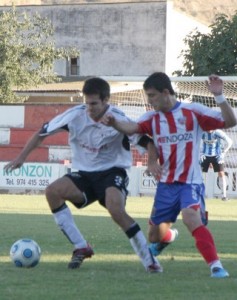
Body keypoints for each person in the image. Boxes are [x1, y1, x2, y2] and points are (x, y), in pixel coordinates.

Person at [4, 77, 162, 273]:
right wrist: (21, 158)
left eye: (94, 103)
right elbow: (41, 133)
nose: (89, 108)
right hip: (84, 176)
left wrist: (153, 162)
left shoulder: (119, 118)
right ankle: (81, 246)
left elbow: (148, 142)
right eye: (86, 103)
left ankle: (149, 261)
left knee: (116, 209)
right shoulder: (74, 116)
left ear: (106, 101)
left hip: (112, 172)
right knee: (52, 192)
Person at [101, 72, 237, 278]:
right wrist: (115, 124)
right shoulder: (152, 118)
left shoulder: (193, 111)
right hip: (165, 185)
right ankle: (167, 238)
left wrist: (219, 96)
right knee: (154, 236)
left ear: (166, 93)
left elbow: (230, 121)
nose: (150, 100)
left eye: (152, 95)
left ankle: (215, 266)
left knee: (191, 218)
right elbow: (133, 128)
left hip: (190, 182)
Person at [200, 129, 233, 201]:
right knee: (199, 174)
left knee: (221, 173)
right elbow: (196, 142)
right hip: (205, 155)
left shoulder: (218, 132)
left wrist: (224, 152)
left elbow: (230, 141)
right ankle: (198, 194)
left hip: (217, 156)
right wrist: (200, 153)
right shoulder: (202, 132)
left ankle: (224, 196)